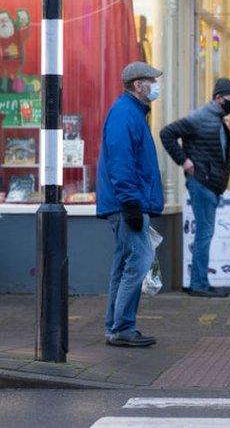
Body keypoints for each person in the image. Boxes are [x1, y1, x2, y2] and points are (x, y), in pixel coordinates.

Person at [97, 61, 166, 347]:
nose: (156, 85)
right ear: (139, 85)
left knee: (125, 263)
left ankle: (116, 326)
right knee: (138, 261)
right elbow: (121, 164)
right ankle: (122, 327)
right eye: (152, 80)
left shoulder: (132, 113)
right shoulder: (126, 115)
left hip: (127, 202)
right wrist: (132, 205)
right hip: (127, 204)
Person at [160, 78, 230, 298]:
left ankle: (201, 282)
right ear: (218, 98)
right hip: (202, 183)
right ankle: (199, 284)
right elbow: (167, 133)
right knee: (204, 235)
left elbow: (209, 148)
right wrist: (184, 161)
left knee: (205, 233)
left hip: (211, 184)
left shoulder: (216, 119)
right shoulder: (200, 117)